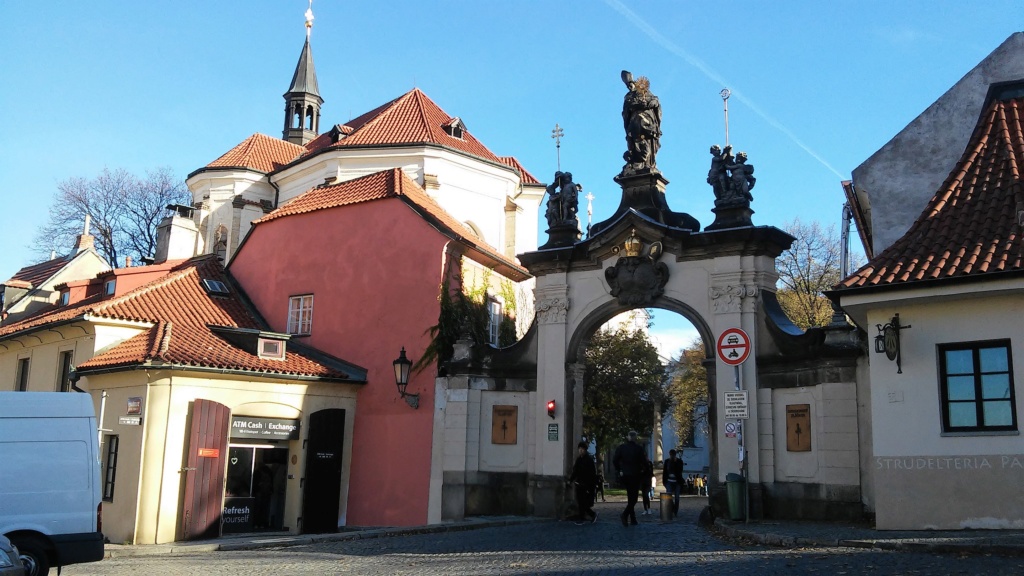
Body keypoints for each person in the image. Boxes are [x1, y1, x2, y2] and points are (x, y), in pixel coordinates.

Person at [612, 430, 645, 526]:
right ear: (635, 438)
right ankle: (625, 514)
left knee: (630, 497)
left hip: (625, 475)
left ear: (628, 437)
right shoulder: (639, 449)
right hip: (635, 475)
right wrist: (643, 469)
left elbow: (615, 460)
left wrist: (619, 470)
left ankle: (633, 518)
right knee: (633, 499)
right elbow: (643, 462)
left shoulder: (622, 448)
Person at [568, 441, 598, 524]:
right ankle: (582, 518)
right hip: (579, 483)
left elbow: (592, 474)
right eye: (580, 449)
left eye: (582, 449)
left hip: (586, 484)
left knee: (584, 503)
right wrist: (570, 480)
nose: (581, 451)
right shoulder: (578, 459)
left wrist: (590, 485)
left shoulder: (589, 460)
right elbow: (575, 471)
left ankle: (592, 514)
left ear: (585, 450)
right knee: (580, 502)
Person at [663, 449, 684, 517]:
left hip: (677, 482)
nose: (672, 456)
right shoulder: (667, 461)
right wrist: (664, 482)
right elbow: (665, 472)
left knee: (677, 498)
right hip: (669, 481)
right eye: (671, 454)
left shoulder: (679, 461)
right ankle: (672, 509)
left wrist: (675, 463)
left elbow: (680, 471)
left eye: (673, 455)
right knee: (669, 496)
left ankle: (675, 511)